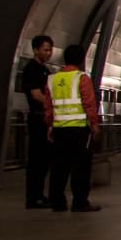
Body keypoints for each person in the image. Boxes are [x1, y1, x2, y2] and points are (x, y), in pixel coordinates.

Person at [45, 44, 100, 213]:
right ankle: (80, 202)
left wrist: (50, 126)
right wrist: (94, 125)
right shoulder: (81, 78)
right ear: (82, 60)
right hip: (79, 129)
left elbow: (48, 106)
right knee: (81, 167)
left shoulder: (52, 79)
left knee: (59, 166)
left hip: (60, 129)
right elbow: (89, 103)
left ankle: (57, 202)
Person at [19, 34, 54, 209]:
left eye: (50, 50)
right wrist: (53, 102)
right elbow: (36, 94)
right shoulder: (31, 69)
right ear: (35, 50)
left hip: (45, 118)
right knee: (36, 159)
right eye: (45, 49)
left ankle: (39, 194)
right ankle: (33, 197)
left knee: (44, 160)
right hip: (37, 117)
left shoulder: (45, 70)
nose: (49, 53)